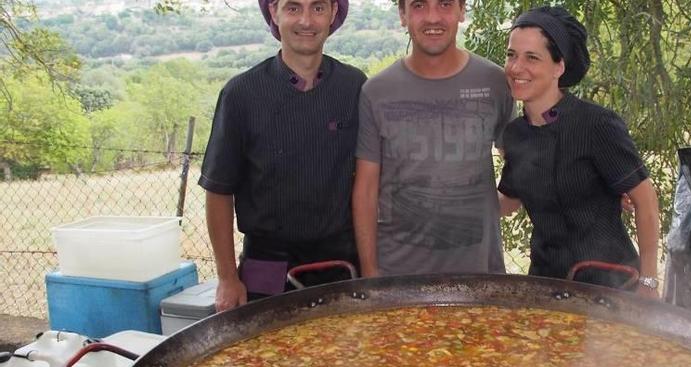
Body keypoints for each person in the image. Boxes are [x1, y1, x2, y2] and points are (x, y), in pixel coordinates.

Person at [199, 0, 366, 311]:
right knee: (269, 359)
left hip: (342, 266)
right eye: (293, 8)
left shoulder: (354, 87)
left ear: (333, 14)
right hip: (265, 269)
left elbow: (370, 181)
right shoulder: (241, 95)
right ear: (273, 13)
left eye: (317, 8)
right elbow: (218, 191)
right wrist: (226, 278)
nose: (306, 20)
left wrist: (371, 268)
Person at [497, 6, 661, 298]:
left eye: (532, 57)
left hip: (612, 286)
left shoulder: (596, 125)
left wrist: (648, 281)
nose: (516, 67)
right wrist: (450, 197)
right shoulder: (515, 135)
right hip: (545, 286)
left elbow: (645, 200)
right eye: (511, 55)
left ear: (559, 66)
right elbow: (508, 202)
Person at [352, 0, 514, 277]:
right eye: (418, 6)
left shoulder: (495, 82)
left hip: (480, 272)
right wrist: (369, 272)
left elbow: (520, 167)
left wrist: (478, 210)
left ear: (462, 11)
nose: (432, 17)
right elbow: (366, 190)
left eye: (444, 4)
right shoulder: (376, 92)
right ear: (402, 15)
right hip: (398, 274)